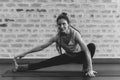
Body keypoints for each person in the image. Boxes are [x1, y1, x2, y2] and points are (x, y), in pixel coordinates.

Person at [14, 12, 97, 77]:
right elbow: (41, 46)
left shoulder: (75, 34)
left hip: (80, 56)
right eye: (59, 24)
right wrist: (24, 53)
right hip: (68, 56)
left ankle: (85, 68)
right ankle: (21, 67)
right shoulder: (57, 37)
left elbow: (86, 50)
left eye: (64, 24)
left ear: (68, 24)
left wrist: (90, 69)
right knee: (45, 63)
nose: (61, 26)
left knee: (91, 46)